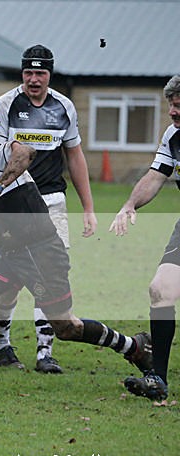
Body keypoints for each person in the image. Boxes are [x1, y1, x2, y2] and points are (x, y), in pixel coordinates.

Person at [0, 129, 151, 388]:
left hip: (41, 252)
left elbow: (26, 152)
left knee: (66, 327)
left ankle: (133, 347)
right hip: (7, 254)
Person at [0, 45, 98, 374]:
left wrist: (88, 207)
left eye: (41, 73)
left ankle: (44, 350)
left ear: (50, 74)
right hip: (16, 202)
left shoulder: (64, 107)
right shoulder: (5, 104)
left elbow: (75, 157)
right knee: (13, 274)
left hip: (53, 201)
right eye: (29, 73)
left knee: (49, 275)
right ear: (22, 73)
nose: (34, 79)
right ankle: (2, 342)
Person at [109, 74, 180, 401]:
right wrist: (129, 204)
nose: (173, 113)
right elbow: (156, 175)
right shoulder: (172, 135)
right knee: (160, 289)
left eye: (179, 107)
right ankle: (158, 381)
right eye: (171, 107)